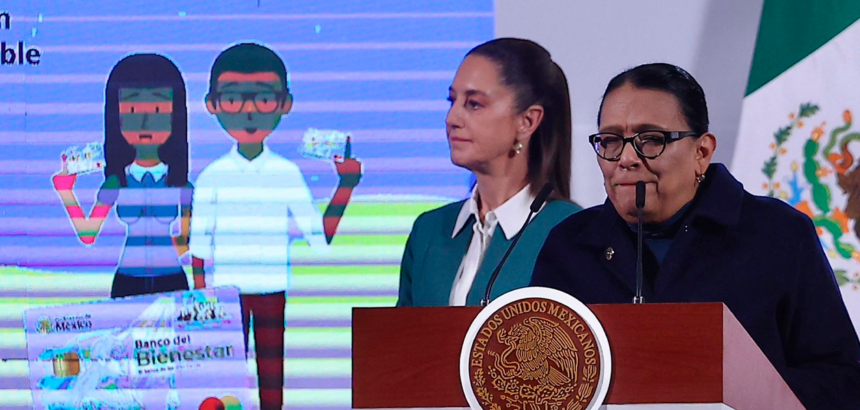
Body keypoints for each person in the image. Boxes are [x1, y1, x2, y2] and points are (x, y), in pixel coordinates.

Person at [530, 63, 860, 409]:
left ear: (701, 152)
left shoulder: (777, 234)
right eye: (610, 141)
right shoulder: (570, 244)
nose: (625, 159)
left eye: (650, 140)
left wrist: (739, 392)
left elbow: (841, 379)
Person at [189, 42, 362, 410]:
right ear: (213, 104)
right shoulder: (211, 177)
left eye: (263, 99)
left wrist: (345, 186)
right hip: (223, 298)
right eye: (234, 99)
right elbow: (199, 250)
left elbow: (319, 237)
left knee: (272, 382)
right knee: (225, 384)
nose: (249, 111)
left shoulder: (287, 173)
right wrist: (202, 304)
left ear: (285, 104)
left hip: (271, 292)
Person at [396, 38, 581, 307]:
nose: (451, 119)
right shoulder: (429, 230)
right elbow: (400, 341)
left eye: (473, 104)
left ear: (527, 121)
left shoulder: (570, 231)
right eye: (452, 100)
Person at [51, 53, 192, 298]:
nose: (145, 121)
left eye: (158, 109)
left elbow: (187, 241)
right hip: (128, 282)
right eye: (133, 109)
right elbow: (87, 234)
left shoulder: (181, 185)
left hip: (172, 280)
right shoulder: (116, 183)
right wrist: (66, 192)